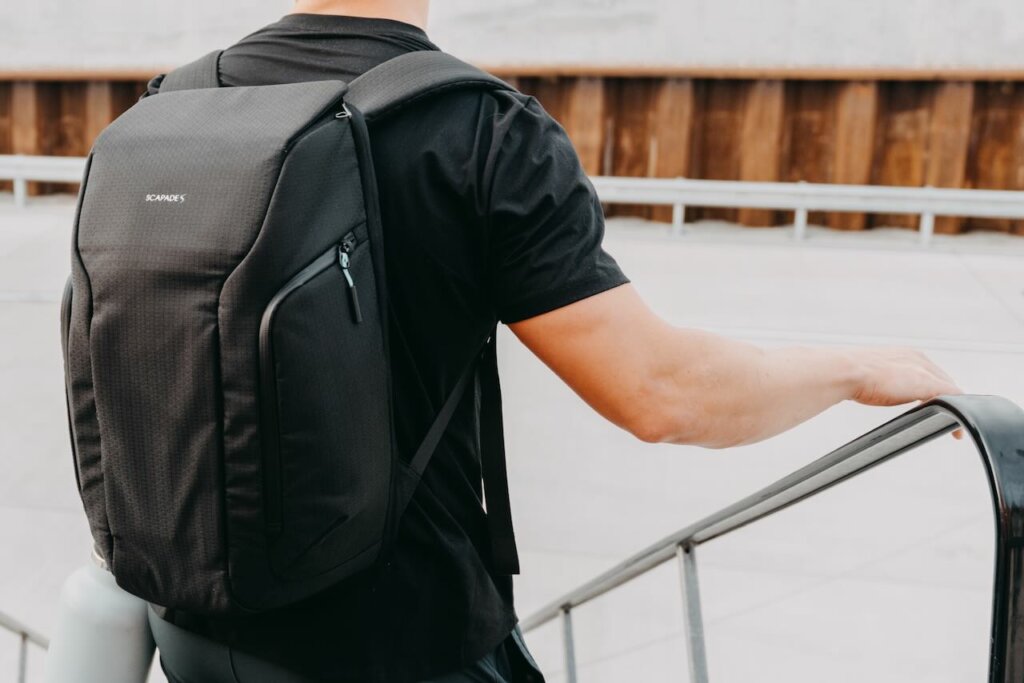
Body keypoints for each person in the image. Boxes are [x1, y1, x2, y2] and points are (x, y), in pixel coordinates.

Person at [147, 1, 961, 681]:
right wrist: (852, 368)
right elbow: (661, 392)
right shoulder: (479, 127)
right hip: (402, 641)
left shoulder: (166, 110)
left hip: (194, 626)